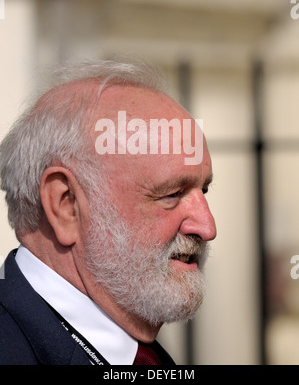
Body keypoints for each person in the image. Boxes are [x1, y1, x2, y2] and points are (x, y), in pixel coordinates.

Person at [0, 60, 216, 365]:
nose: (207, 227)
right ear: (66, 205)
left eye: (203, 190)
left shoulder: (143, 355)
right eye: (171, 194)